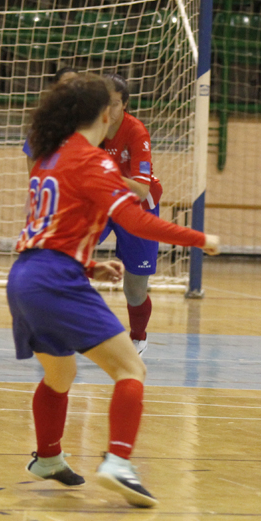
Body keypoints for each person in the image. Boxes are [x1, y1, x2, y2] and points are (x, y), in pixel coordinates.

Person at [8, 74, 220, 507]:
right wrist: (200, 239)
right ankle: (119, 462)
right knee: (130, 371)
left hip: (26, 275)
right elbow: (138, 221)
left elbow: (46, 227)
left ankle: (47, 457)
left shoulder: (49, 156)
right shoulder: (93, 160)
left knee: (60, 375)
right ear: (106, 114)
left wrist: (87, 263)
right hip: (54, 279)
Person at [97, 74, 162, 357]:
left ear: (124, 105)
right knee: (65, 256)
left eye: (114, 104)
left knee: (135, 289)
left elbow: (140, 188)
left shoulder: (136, 132)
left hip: (137, 208)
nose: (107, 110)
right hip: (101, 205)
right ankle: (65, 328)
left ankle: (138, 338)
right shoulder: (88, 128)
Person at [21, 67, 78, 164]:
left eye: (76, 82)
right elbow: (32, 153)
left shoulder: (87, 114)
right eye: (67, 81)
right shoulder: (45, 115)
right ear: (56, 86)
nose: (72, 85)